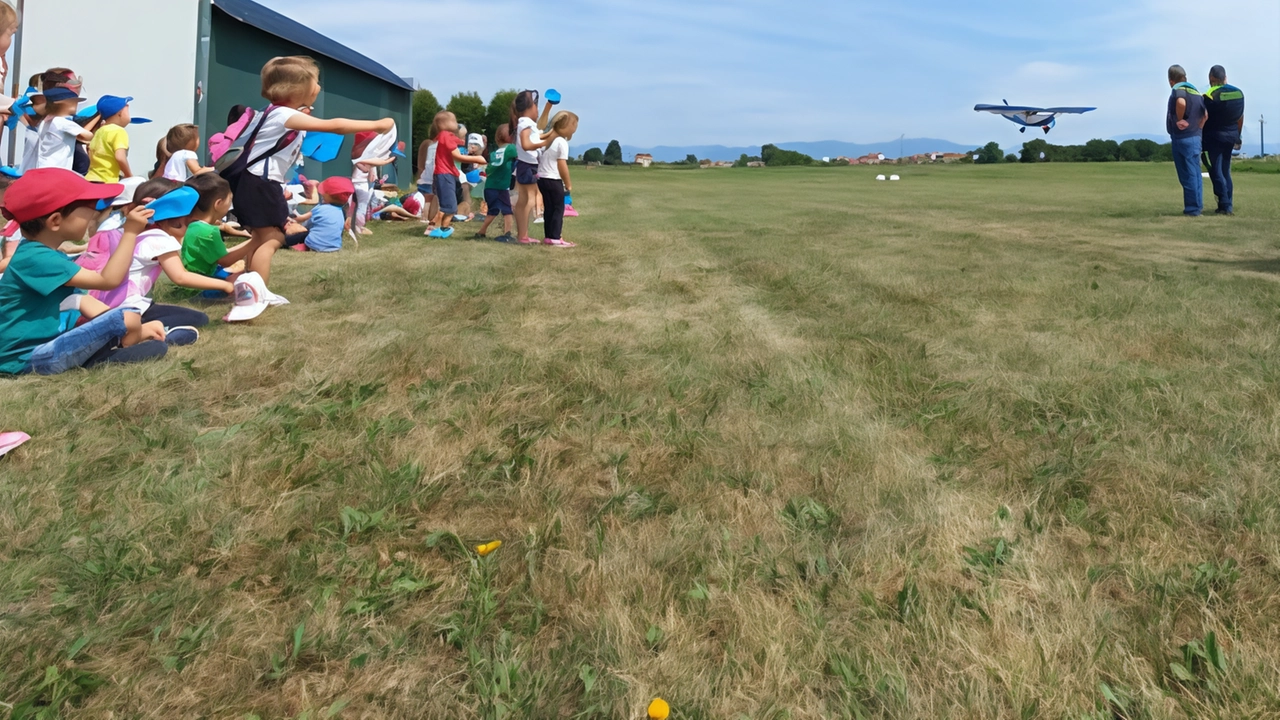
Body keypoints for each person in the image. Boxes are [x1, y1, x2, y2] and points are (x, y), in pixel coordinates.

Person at [229, 56, 393, 284]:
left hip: (250, 182)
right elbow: (334, 126)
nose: (319, 86)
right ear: (298, 90)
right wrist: (377, 125)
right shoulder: (284, 115)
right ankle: (255, 294)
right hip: (261, 184)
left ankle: (243, 284)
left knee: (260, 237)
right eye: (316, 82)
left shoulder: (273, 112)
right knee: (273, 238)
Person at [0, 169, 178, 376]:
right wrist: (130, 232)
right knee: (128, 320)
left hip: (43, 344)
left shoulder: (40, 254)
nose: (94, 212)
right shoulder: (37, 258)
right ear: (56, 220)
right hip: (27, 359)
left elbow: (81, 300)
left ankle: (132, 338)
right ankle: (120, 347)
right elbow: (108, 280)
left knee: (118, 317)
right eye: (88, 207)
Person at [92, 180, 231, 329]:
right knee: (199, 318)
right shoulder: (158, 238)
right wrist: (226, 285)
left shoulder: (131, 232)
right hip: (127, 306)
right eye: (187, 217)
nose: (190, 220)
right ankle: (148, 330)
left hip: (106, 303)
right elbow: (180, 277)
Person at [181, 173, 252, 286]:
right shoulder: (207, 231)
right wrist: (255, 241)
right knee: (247, 278)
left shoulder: (192, 225)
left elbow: (220, 255)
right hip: (200, 287)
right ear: (218, 203)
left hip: (196, 278)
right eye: (230, 200)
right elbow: (225, 260)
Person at [426, 111, 486, 239]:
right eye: (453, 121)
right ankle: (442, 228)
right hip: (445, 175)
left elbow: (460, 140)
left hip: (449, 174)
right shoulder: (445, 136)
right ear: (443, 124)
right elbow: (457, 156)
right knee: (450, 205)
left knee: (450, 203)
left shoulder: (447, 136)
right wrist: (477, 159)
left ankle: (439, 227)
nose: (456, 123)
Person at [510, 90, 556, 244]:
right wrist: (545, 143)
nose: (538, 110)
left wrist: (549, 135)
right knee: (528, 199)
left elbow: (534, 137)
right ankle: (523, 235)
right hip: (529, 166)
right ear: (530, 107)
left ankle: (522, 235)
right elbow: (526, 144)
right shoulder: (526, 123)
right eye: (537, 107)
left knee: (523, 200)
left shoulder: (524, 123)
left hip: (524, 165)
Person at [1166, 65, 1208, 217]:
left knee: (1187, 175)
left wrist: (1180, 119)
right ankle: (1197, 206)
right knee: (1195, 174)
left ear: (1171, 80)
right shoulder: (1196, 92)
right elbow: (1205, 115)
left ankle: (1192, 209)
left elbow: (1181, 102)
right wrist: (1198, 128)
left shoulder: (1179, 89)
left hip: (1182, 138)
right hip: (1196, 137)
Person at [1202, 66, 1245, 216]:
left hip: (1214, 137)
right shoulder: (1239, 93)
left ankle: (1224, 204)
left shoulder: (1210, 95)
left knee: (1216, 170)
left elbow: (1204, 116)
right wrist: (1237, 136)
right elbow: (1240, 117)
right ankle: (1228, 203)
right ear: (1225, 77)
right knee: (1226, 171)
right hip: (1231, 136)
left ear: (1211, 78)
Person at [537, 112, 578, 248]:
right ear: (568, 126)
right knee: (558, 209)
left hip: (541, 178)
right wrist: (568, 183)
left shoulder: (547, 140)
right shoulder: (561, 142)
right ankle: (555, 237)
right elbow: (562, 165)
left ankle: (549, 236)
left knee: (549, 208)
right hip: (554, 179)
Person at [475, 123, 517, 242]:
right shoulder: (510, 148)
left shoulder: (494, 154)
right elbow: (520, 153)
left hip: (489, 187)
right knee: (507, 211)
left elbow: (489, 168)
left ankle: (481, 231)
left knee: (492, 211)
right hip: (501, 188)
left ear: (497, 138)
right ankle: (507, 233)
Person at [86, 95, 144, 182]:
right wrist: (129, 175)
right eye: (127, 111)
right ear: (119, 114)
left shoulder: (99, 132)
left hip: (90, 178)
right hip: (107, 181)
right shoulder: (119, 131)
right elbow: (120, 157)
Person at [35, 86, 93, 171]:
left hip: (42, 167)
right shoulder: (63, 123)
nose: (77, 104)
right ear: (64, 104)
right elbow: (89, 136)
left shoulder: (45, 122)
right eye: (74, 102)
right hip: (57, 170)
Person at [287, 177, 351, 252]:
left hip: (315, 244)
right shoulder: (341, 212)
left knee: (296, 236)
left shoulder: (320, 208)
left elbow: (303, 221)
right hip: (335, 247)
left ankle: (284, 243)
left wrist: (291, 216)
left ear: (329, 195)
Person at [416, 134, 438, 234]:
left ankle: (423, 218)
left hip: (423, 180)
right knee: (429, 199)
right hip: (430, 180)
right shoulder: (434, 147)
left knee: (426, 200)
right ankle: (427, 218)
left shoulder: (427, 146)